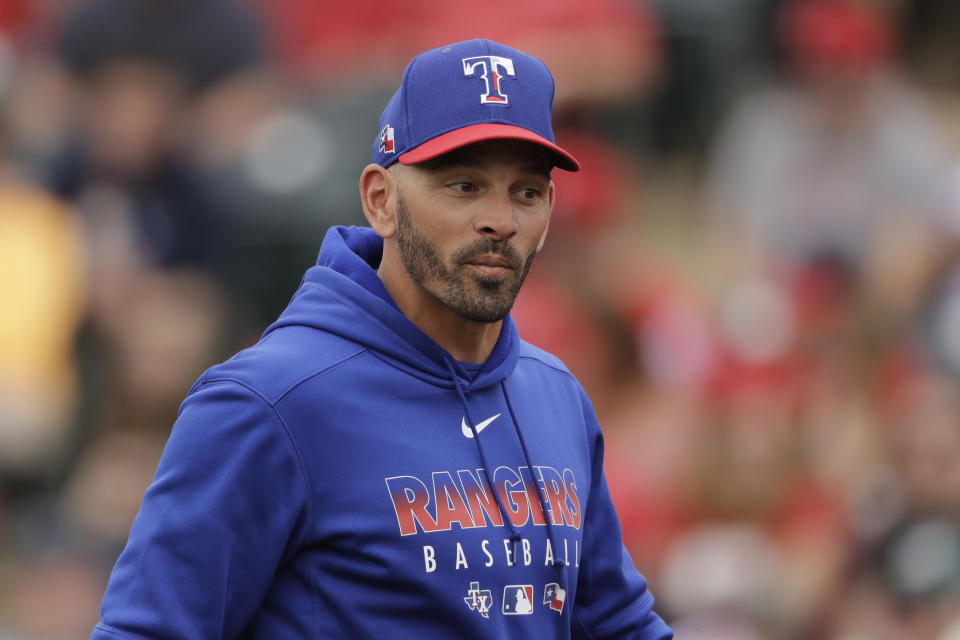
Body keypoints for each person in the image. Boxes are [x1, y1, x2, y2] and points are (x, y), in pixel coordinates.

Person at [91, 38, 672, 639]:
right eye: (463, 186)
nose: (500, 219)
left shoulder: (557, 396)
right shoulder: (268, 402)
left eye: (525, 192)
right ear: (380, 201)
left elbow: (619, 625)